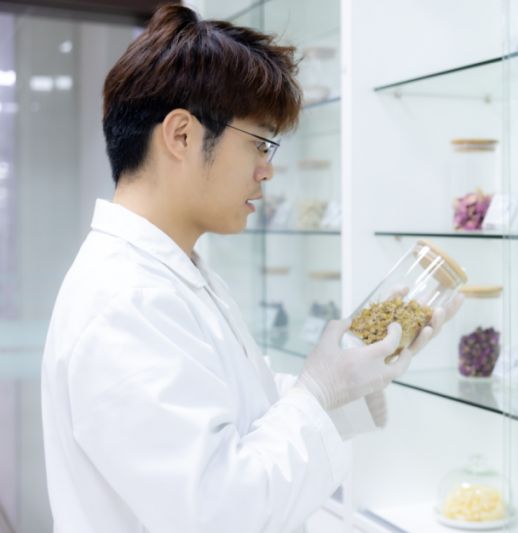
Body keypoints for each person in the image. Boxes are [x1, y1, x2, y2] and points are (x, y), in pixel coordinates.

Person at [40, 5, 462, 532]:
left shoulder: (176, 274)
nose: (267, 170)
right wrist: (319, 393)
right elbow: (219, 512)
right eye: (259, 143)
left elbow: (247, 417)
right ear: (181, 135)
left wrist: (350, 380)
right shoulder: (123, 302)